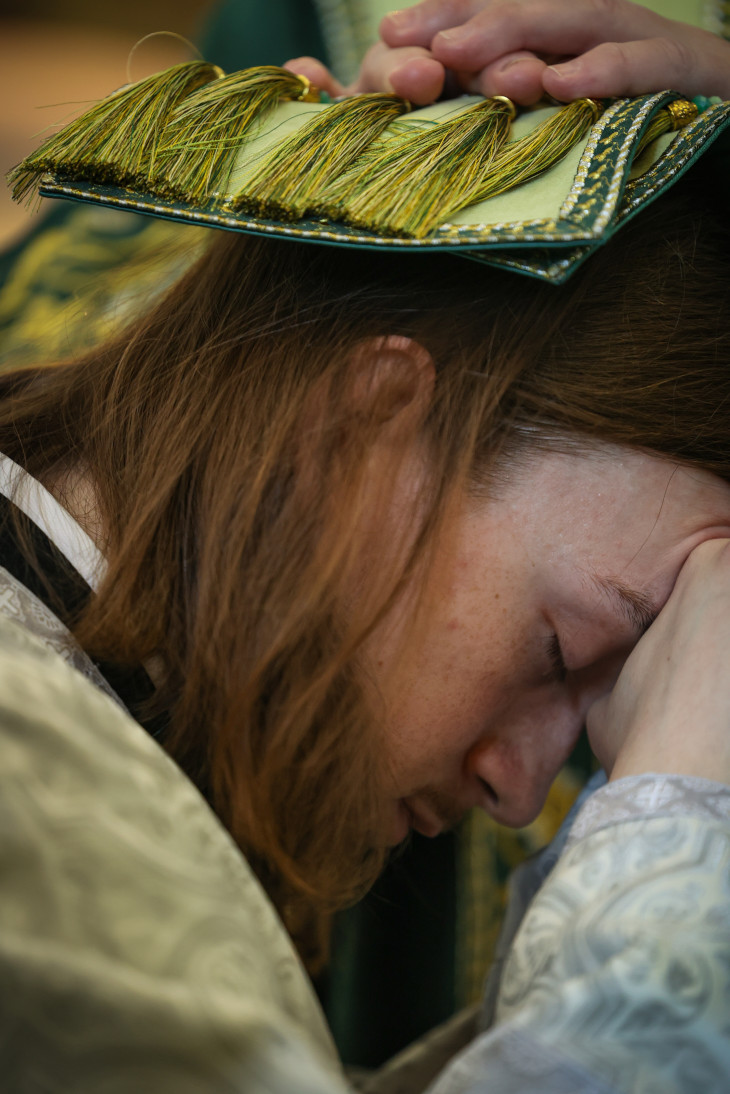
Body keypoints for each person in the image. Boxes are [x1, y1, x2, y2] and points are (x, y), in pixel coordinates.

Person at [0, 4, 729, 1092]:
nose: (522, 793)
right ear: (362, 426)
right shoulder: (28, 762)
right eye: (560, 650)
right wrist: (679, 844)